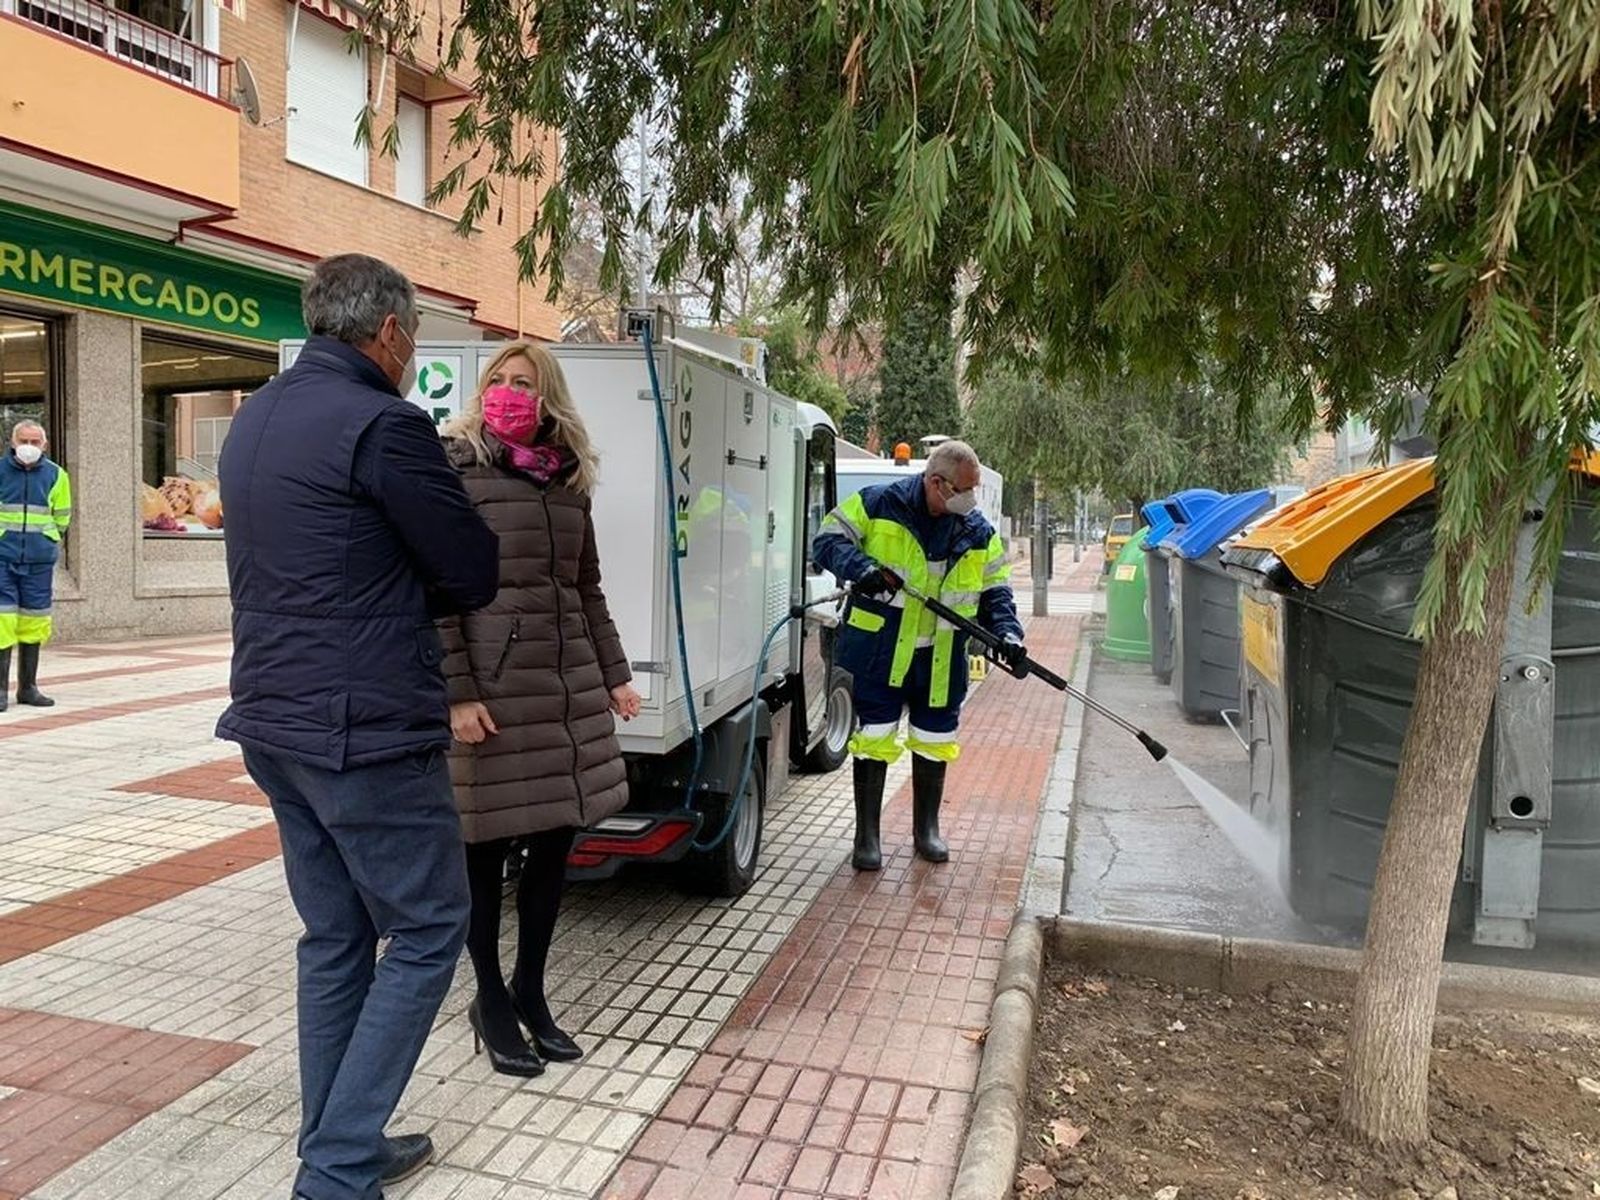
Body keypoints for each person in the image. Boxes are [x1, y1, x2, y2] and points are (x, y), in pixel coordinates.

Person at [216, 254, 499, 1200]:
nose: (411, 354)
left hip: (273, 724)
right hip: (364, 731)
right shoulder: (386, 424)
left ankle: (338, 1141)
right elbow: (470, 567)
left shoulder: (256, 416)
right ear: (388, 334)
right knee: (429, 927)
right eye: (413, 338)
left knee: (335, 937)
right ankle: (337, 1168)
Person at [437, 343, 640, 1076]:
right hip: (490, 694)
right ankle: (488, 996)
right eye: (499, 381)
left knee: (556, 844)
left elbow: (586, 590)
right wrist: (457, 692)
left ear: (548, 397)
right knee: (484, 852)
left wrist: (615, 675)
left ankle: (530, 989)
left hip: (563, 691)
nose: (510, 393)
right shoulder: (456, 467)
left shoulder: (567, 480)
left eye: (525, 383)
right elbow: (438, 593)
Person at [813, 440, 1023, 869]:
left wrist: (1008, 634)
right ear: (935, 483)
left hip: (941, 659)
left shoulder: (978, 532)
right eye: (965, 489)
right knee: (874, 739)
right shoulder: (878, 505)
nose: (972, 498)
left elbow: (996, 591)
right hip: (881, 652)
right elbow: (827, 541)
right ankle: (867, 838)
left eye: (975, 489)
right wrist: (864, 570)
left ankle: (926, 830)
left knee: (935, 740)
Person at [0, 420, 70, 711]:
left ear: (45, 445)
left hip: (39, 561)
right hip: (2, 557)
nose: (29, 447)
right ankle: (0, 691)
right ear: (13, 442)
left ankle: (28, 688)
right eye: (23, 441)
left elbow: (63, 515)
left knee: (35, 621)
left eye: (35, 442)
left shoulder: (57, 475)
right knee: (2, 621)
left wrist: (49, 539)